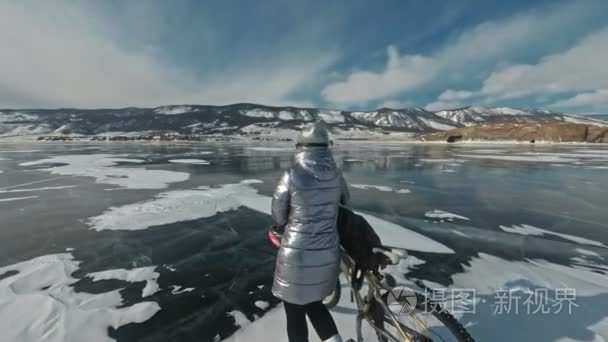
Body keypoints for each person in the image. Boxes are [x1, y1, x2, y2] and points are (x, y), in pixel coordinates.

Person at [270, 122, 350, 342]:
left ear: (301, 147)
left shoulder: (293, 174)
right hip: (327, 251)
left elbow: (278, 213)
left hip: (297, 252)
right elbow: (345, 204)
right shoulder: (336, 174)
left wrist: (281, 226)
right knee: (314, 303)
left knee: (294, 309)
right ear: (326, 146)